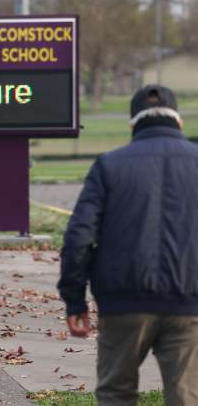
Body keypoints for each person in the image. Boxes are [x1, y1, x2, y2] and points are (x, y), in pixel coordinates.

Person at [58, 84, 198, 405]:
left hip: (122, 302)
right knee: (187, 397)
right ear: (178, 122)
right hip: (190, 302)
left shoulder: (109, 166)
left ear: (133, 124)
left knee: (116, 393)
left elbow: (79, 236)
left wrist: (74, 300)